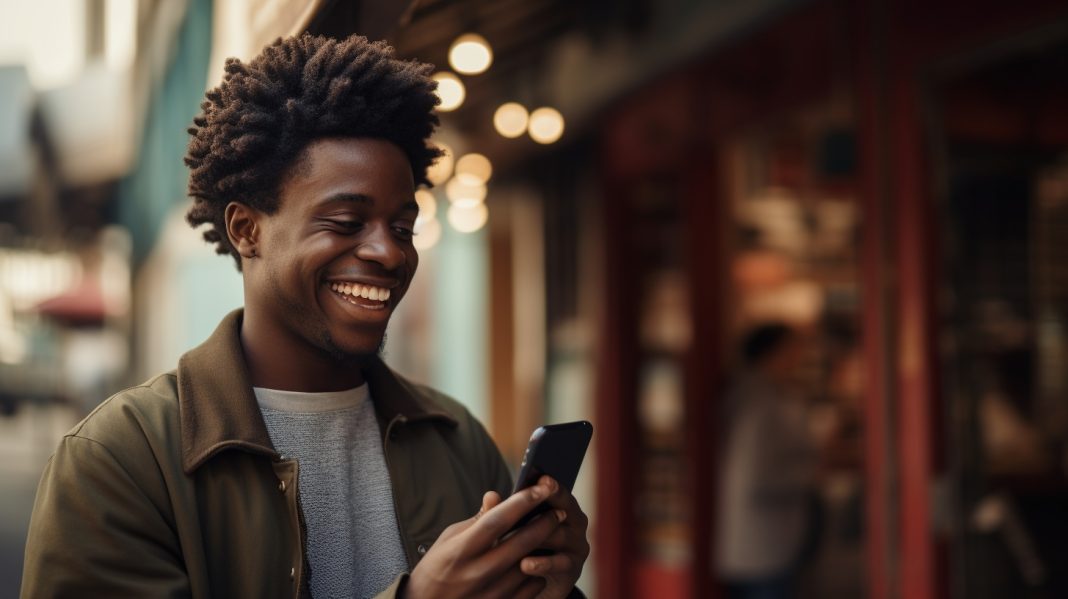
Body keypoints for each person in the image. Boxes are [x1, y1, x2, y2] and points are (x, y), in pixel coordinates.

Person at [21, 34, 589, 599]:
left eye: (402, 228)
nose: (389, 253)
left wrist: (552, 589)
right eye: (345, 222)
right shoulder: (121, 459)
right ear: (247, 230)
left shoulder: (456, 439)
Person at [715, 323, 817, 599]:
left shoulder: (765, 395)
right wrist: (810, 475)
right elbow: (756, 478)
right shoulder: (760, 403)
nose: (800, 358)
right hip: (761, 547)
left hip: (759, 544)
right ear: (773, 352)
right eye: (794, 350)